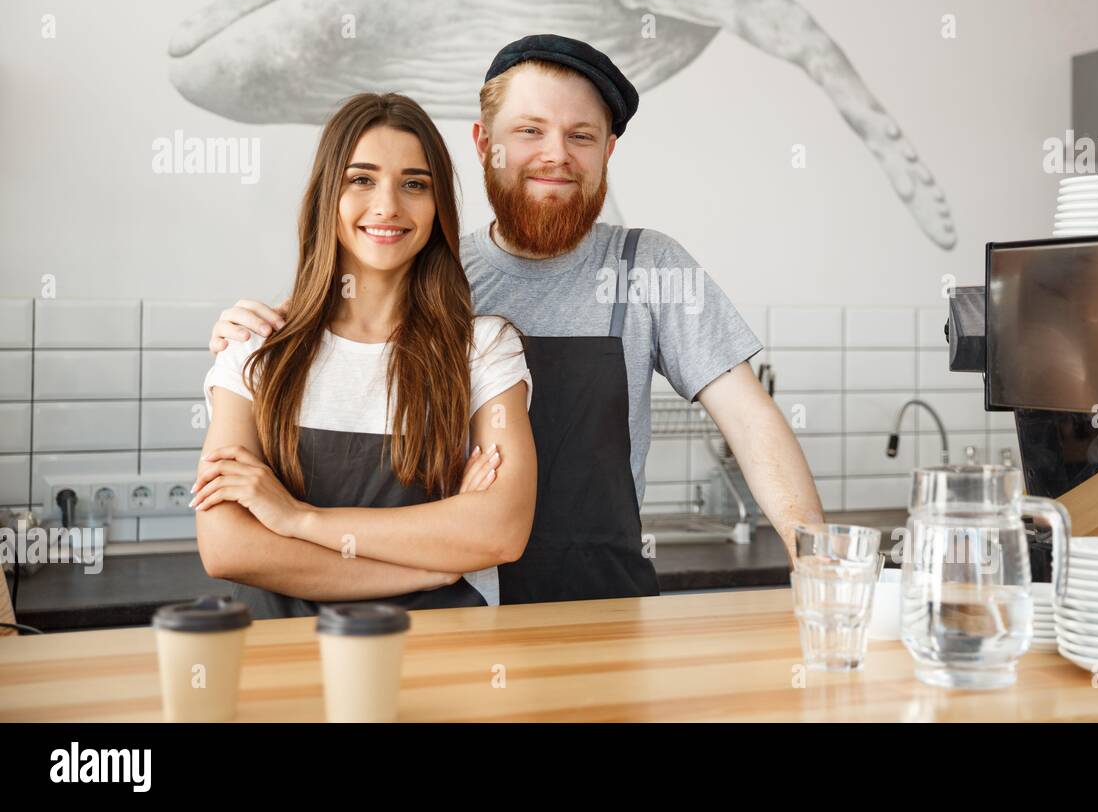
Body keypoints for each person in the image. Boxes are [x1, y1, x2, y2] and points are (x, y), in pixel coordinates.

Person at [207, 34, 824, 605]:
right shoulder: (429, 268)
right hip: (466, 600)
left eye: (581, 136)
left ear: (608, 152)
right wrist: (276, 332)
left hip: (599, 604)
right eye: (530, 131)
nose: (556, 156)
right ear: (484, 143)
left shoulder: (647, 267)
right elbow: (348, 325)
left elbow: (749, 417)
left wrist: (819, 563)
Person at [194, 93, 536, 618]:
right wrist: (431, 566)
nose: (388, 206)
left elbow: (499, 533)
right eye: (361, 179)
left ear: (438, 204)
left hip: (441, 656)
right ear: (327, 195)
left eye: (415, 184)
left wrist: (297, 520)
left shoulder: (483, 348)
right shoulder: (255, 349)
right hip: (281, 658)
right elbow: (227, 548)